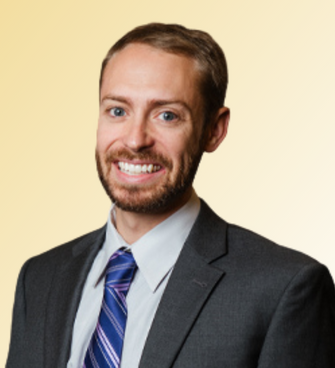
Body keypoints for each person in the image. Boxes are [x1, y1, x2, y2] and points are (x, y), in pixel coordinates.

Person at [6, 23, 335, 368]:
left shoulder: (284, 289)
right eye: (117, 110)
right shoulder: (40, 278)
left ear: (214, 130)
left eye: (167, 115)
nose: (135, 140)